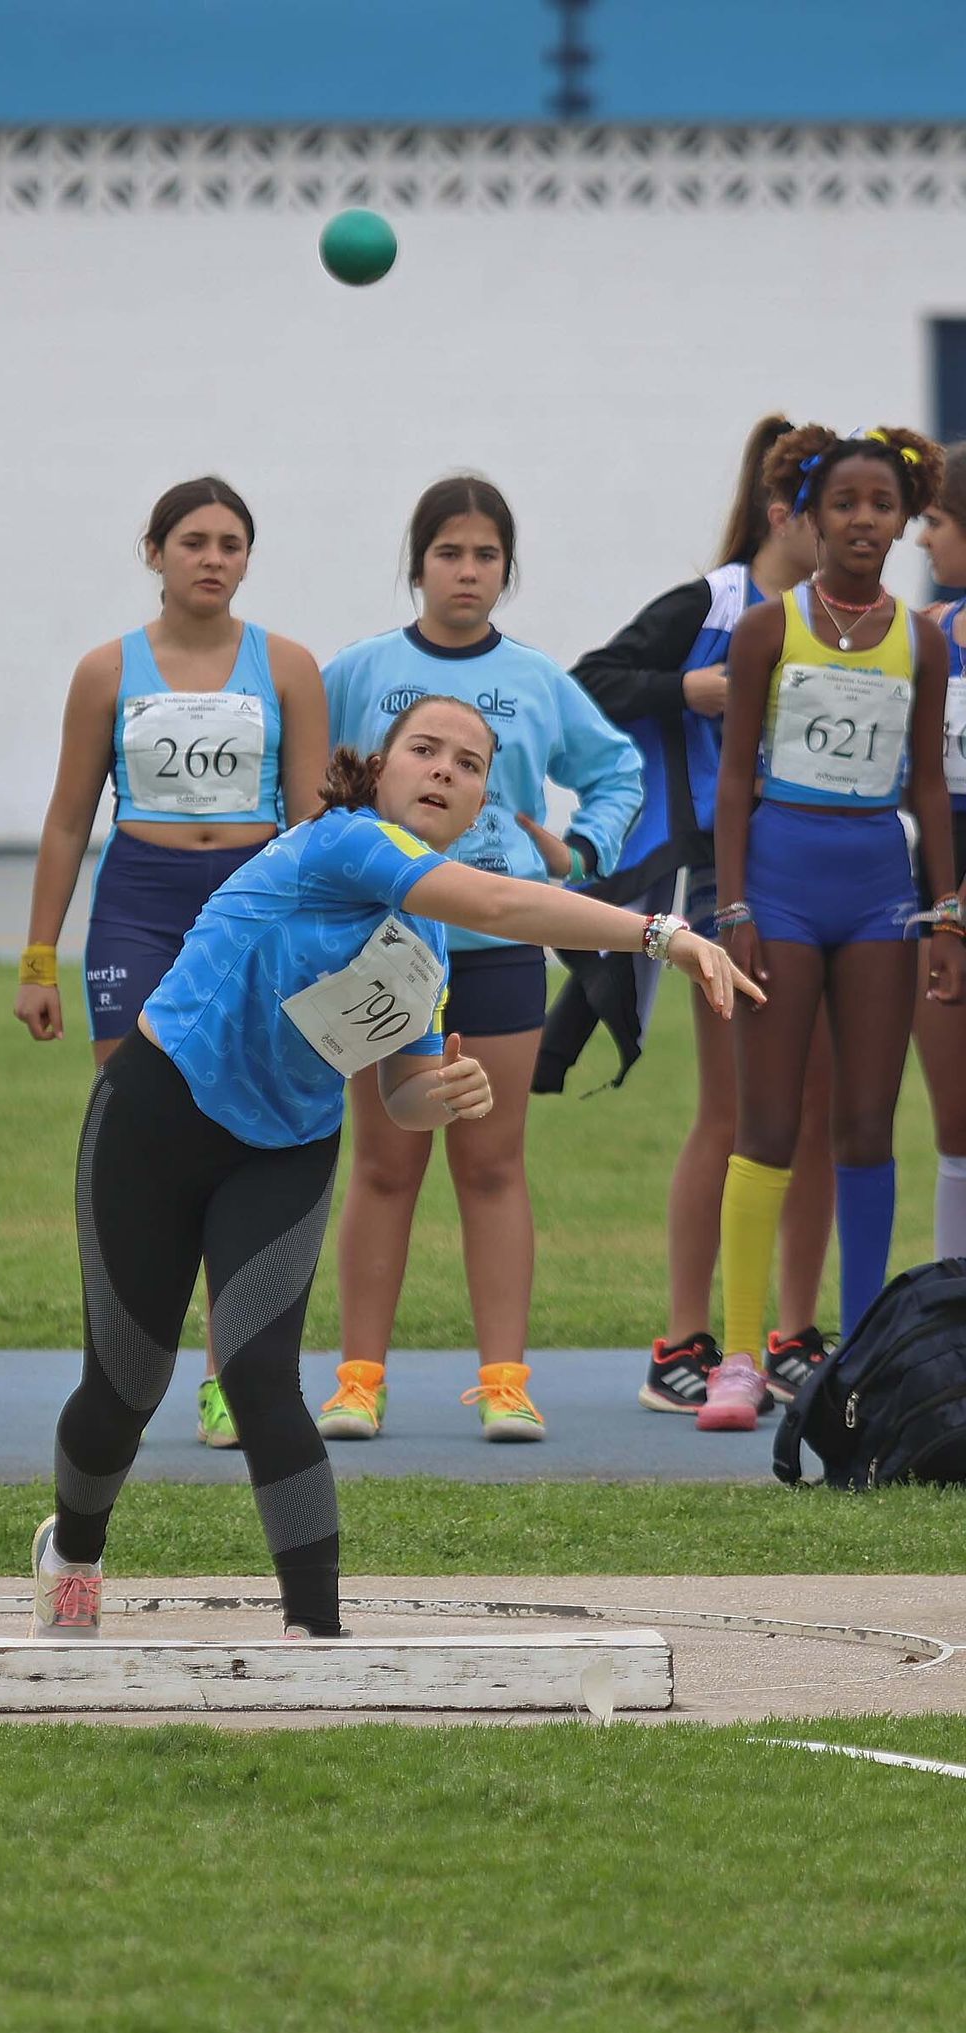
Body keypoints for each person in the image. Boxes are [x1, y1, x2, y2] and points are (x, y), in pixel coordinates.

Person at [31, 695, 758, 1639]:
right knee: (126, 1386)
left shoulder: (421, 940)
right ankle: (75, 1550)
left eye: (469, 764)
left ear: (481, 806)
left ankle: (317, 1633)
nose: (445, 770)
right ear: (379, 770)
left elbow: (400, 1092)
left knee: (262, 1379)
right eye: (425, 749)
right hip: (157, 1116)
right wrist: (663, 931)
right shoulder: (341, 841)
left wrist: (441, 1092)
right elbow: (500, 900)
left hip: (284, 1149)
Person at [317, 476, 643, 1445]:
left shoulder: (540, 681)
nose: (467, 571)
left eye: (485, 554)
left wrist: (582, 854)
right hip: (382, 951)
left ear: (507, 568)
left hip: (498, 954)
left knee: (493, 1166)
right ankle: (357, 1381)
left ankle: (505, 1382)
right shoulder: (361, 670)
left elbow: (615, 769)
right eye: (448, 552)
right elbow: (312, 774)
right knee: (382, 1165)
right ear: (415, 563)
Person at [13, 476, 329, 1450]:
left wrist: (321, 945)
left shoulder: (288, 667)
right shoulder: (107, 671)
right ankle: (128, 1348)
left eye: (231, 542)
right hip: (140, 907)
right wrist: (37, 958)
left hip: (249, 905)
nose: (212, 557)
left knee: (244, 1121)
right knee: (141, 1126)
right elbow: (69, 819)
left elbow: (316, 826)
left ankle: (229, 1365)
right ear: (153, 552)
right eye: (192, 540)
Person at [541, 415, 836, 1415]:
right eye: (827, 507)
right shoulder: (712, 603)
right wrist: (690, 687)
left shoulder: (848, 615)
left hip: (827, 869)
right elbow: (591, 678)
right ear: (779, 510)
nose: (847, 526)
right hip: (725, 873)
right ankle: (683, 1339)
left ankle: (797, 1334)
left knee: (818, 1116)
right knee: (734, 1110)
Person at [710, 424, 963, 1432]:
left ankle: (858, 1353)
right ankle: (738, 1355)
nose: (865, 520)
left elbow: (928, 790)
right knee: (767, 1122)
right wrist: (729, 906)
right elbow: (733, 779)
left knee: (867, 1124)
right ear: (807, 516)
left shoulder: (923, 638)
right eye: (845, 503)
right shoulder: (766, 629)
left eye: (883, 505)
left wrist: (944, 911)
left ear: (904, 520)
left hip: (875, 889)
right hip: (776, 883)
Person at [915, 443, 966, 1259]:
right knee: (956, 1128)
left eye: (935, 519)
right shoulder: (923, 639)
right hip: (939, 909)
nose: (921, 538)